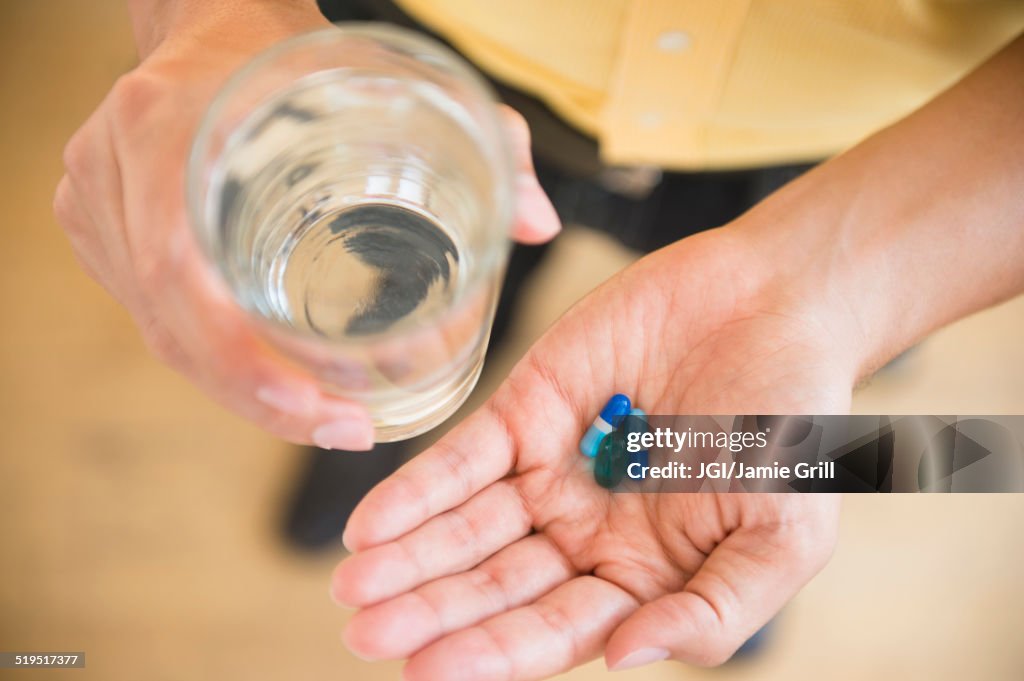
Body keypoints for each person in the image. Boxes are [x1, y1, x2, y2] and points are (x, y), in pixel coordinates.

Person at [55, 0, 1024, 678]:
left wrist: (838, 299)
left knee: (807, 403)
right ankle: (376, 446)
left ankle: (726, 522)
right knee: (396, 303)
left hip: (878, 162)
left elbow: (968, 451)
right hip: (421, 87)